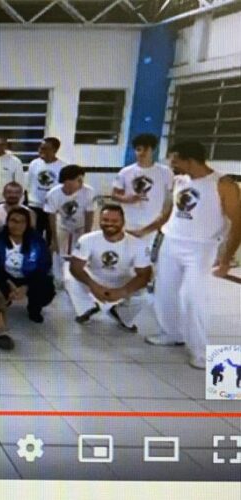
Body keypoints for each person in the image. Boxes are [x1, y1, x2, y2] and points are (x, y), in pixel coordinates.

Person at [145, 141, 241, 369]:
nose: (171, 165)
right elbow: (169, 214)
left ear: (190, 160)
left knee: (192, 298)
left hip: (201, 248)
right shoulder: (179, 180)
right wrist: (146, 231)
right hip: (172, 243)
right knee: (164, 292)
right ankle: (171, 333)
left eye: (175, 160)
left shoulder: (223, 184)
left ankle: (201, 352)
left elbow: (238, 223)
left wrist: (226, 259)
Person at [67, 205, 152, 332]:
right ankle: (87, 308)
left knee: (146, 296)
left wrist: (123, 291)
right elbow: (75, 267)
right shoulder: (87, 239)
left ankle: (121, 315)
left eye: (114, 221)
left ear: (123, 222)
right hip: (94, 278)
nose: (109, 224)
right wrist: (93, 286)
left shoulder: (138, 244)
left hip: (122, 281)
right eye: (105, 220)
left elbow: (144, 275)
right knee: (68, 275)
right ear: (100, 221)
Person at [0, 207, 55, 323]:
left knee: (45, 285)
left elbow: (44, 266)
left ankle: (34, 308)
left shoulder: (38, 241)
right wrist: (9, 284)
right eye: (13, 221)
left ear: (27, 224)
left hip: (30, 278)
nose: (17, 225)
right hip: (6, 277)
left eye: (22, 222)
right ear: (7, 222)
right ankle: (1, 303)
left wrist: (26, 286)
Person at [111, 133, 174, 250]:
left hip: (151, 222)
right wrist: (127, 199)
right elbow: (114, 195)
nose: (142, 153)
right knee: (124, 252)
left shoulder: (165, 172)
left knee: (144, 255)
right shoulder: (126, 172)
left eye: (146, 149)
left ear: (153, 150)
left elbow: (170, 199)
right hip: (128, 221)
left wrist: (162, 220)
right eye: (138, 149)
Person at [44, 165, 96, 282]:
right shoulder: (53, 194)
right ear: (67, 181)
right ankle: (56, 275)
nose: (82, 182)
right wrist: (54, 239)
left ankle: (84, 274)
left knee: (84, 249)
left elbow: (90, 215)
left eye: (82, 179)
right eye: (78, 179)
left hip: (82, 225)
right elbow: (51, 217)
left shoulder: (88, 191)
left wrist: (87, 235)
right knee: (55, 249)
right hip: (63, 225)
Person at [26, 137, 67, 242]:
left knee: (52, 236)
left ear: (55, 150)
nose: (41, 151)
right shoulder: (34, 164)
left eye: (45, 148)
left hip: (53, 208)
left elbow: (64, 189)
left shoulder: (63, 167)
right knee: (33, 236)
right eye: (40, 148)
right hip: (35, 206)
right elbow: (28, 184)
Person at [0, 182, 36, 247]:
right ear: (3, 194)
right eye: (9, 192)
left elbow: (32, 236)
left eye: (16, 193)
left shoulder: (30, 213)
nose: (13, 195)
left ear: (22, 195)